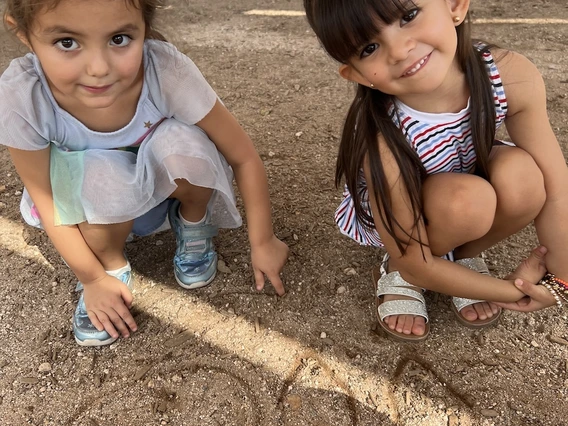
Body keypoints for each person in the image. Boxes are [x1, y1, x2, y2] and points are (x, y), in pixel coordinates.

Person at [0, 0, 289, 347]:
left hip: (158, 190)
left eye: (119, 39)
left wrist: (263, 240)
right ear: (22, 33)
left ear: (144, 26)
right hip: (87, 213)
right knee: (92, 172)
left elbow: (242, 155)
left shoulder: (165, 70)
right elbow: (47, 200)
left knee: (185, 141)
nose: (98, 68)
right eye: (67, 42)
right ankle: (109, 265)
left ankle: (192, 220)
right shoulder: (23, 95)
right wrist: (92, 279)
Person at [303, 0, 567, 341]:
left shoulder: (509, 74)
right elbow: (417, 262)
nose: (399, 50)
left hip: (469, 177)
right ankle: (395, 272)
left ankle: (460, 258)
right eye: (369, 48)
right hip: (410, 223)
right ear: (356, 74)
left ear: (454, 5)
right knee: (465, 202)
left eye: (408, 16)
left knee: (526, 178)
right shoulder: (381, 138)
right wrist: (514, 291)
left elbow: (557, 189)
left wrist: (561, 279)